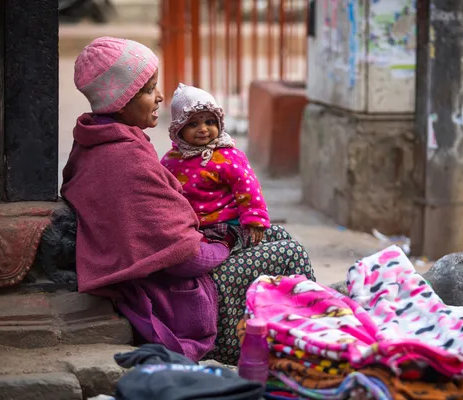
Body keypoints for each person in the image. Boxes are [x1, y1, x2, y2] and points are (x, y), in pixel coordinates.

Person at [61, 36, 315, 365]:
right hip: (173, 294)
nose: (160, 97)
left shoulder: (99, 139)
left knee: (274, 235)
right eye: (150, 89)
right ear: (122, 100)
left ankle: (285, 334)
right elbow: (186, 257)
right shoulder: (125, 161)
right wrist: (227, 239)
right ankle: (306, 343)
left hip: (168, 275)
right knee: (289, 251)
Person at [161, 84, 268, 249]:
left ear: (219, 122)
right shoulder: (170, 161)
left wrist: (255, 218)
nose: (203, 129)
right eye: (193, 124)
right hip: (189, 229)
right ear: (179, 129)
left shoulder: (227, 155)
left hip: (228, 225)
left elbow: (248, 186)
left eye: (210, 122)